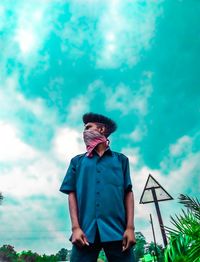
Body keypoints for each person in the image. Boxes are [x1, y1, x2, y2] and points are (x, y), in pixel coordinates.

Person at [60, 112, 136, 262]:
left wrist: (130, 228)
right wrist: (75, 228)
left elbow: (128, 192)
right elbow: (72, 194)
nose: (84, 132)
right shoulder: (77, 162)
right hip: (85, 233)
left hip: (118, 232)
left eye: (88, 127)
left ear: (101, 130)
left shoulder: (121, 160)